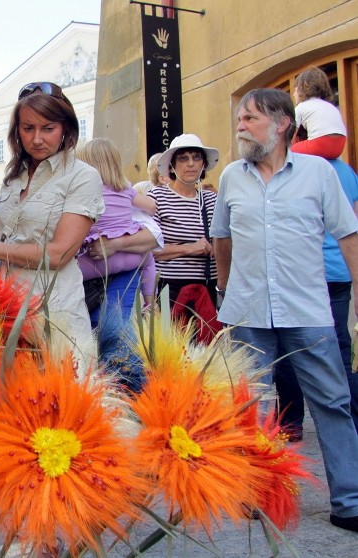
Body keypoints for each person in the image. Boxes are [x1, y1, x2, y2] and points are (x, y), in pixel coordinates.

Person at [212, 87, 358, 533]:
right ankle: (254, 493)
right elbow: (222, 238)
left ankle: (349, 501)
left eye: (250, 118)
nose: (241, 126)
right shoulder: (231, 178)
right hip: (248, 311)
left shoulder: (318, 173)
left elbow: (348, 234)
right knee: (249, 406)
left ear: (280, 125)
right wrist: (224, 286)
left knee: (332, 401)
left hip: (308, 309)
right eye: (239, 118)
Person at [0, 81, 103, 366]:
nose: (37, 138)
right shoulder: (14, 178)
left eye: (48, 128)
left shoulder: (82, 176)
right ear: (16, 132)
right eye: (28, 128)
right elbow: (9, 243)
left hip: (53, 314)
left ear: (66, 129)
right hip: (7, 310)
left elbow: (59, 253)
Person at [274, 157, 358, 439]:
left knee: (288, 353)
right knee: (339, 351)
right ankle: (349, 416)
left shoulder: (308, 170)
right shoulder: (345, 171)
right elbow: (352, 225)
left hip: (304, 279)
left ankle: (291, 422)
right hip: (336, 274)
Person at [76, 138, 157, 309]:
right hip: (131, 257)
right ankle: (150, 304)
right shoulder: (126, 188)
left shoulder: (86, 192)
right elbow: (151, 207)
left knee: (68, 271)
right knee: (149, 261)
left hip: (96, 259)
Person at [149, 133, 220, 306]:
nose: (190, 163)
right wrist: (190, 249)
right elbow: (149, 250)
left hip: (207, 288)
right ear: (172, 165)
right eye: (183, 158)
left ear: (203, 164)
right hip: (169, 287)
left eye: (196, 158)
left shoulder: (212, 200)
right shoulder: (157, 197)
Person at [291, 66, 347, 160]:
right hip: (340, 146)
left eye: (295, 90)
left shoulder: (301, 107)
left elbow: (291, 136)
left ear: (301, 89)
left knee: (288, 152)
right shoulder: (330, 106)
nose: (293, 94)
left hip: (320, 145)